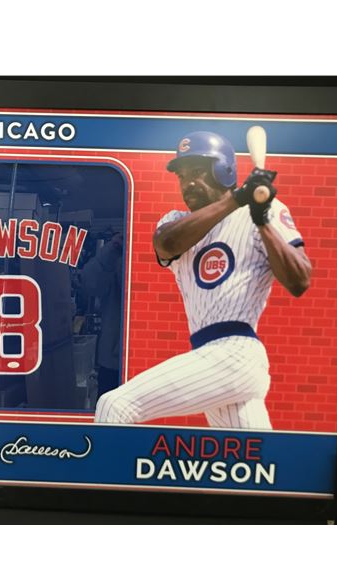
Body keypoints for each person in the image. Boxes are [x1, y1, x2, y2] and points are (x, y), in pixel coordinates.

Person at [94, 131, 311, 429]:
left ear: (225, 170)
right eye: (182, 176)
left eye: (197, 171)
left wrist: (262, 220)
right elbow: (166, 244)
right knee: (254, 456)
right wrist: (238, 198)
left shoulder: (264, 212)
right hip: (211, 356)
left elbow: (299, 280)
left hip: (236, 352)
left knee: (115, 405)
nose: (188, 182)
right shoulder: (175, 220)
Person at [81, 232, 123, 399]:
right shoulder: (116, 258)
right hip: (113, 362)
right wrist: (113, 248)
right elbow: (90, 285)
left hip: (153, 359)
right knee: (107, 412)